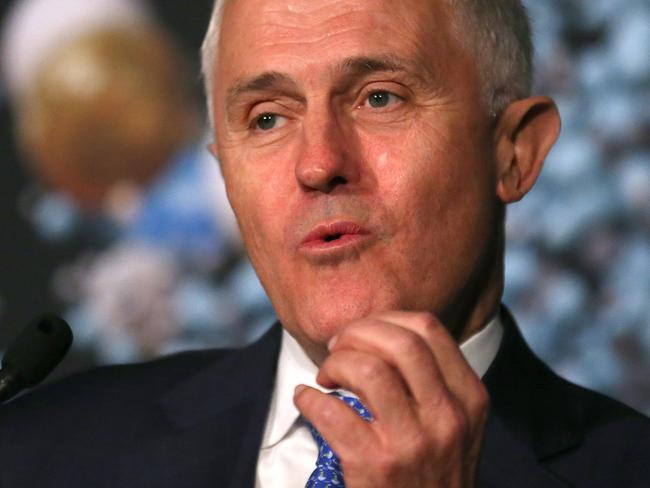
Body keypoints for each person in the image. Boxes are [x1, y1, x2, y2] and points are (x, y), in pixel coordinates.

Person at [0, 0, 648, 487]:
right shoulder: (39, 455)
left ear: (515, 151)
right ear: (224, 172)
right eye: (268, 117)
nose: (318, 163)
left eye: (378, 98)